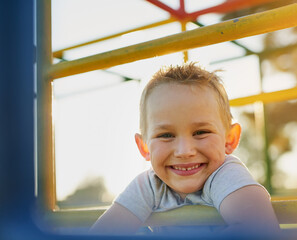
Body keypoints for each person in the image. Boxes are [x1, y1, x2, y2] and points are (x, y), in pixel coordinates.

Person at [89, 62, 280, 235]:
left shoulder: (225, 174)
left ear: (229, 139)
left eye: (201, 132)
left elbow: (260, 230)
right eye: (166, 135)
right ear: (144, 147)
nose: (184, 151)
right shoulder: (150, 184)